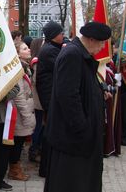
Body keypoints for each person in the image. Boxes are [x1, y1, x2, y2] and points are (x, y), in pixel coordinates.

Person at [44, 21, 111, 192]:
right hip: (72, 138)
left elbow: (84, 84)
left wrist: (99, 91)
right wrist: (83, 127)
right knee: (71, 183)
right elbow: (68, 96)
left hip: (78, 138)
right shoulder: (73, 54)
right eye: (101, 42)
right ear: (90, 39)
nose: (103, 47)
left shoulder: (80, 54)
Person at [36, 20, 64, 176]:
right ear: (53, 35)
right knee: (50, 132)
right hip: (50, 98)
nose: (63, 35)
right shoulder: (49, 51)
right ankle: (46, 168)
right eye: (61, 33)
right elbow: (63, 68)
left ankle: (49, 166)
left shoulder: (53, 48)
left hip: (51, 97)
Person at [7, 41, 36, 181]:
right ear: (17, 53)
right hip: (19, 113)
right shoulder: (17, 68)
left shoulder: (24, 66)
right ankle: (14, 170)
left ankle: (15, 167)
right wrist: (27, 116)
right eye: (25, 48)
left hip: (23, 111)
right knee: (17, 142)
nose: (29, 49)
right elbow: (18, 95)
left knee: (19, 141)